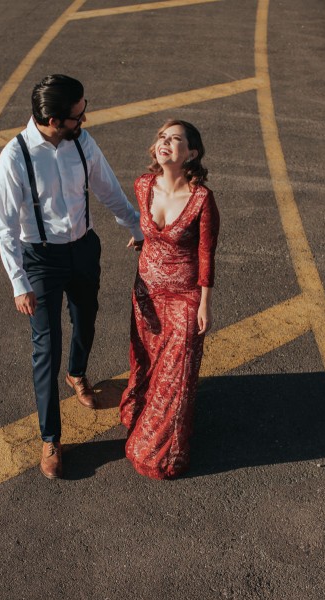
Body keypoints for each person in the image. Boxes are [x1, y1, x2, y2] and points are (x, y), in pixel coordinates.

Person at [0, 74, 145, 480]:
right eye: (78, 115)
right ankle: (50, 437)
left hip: (83, 249)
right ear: (52, 118)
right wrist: (18, 282)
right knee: (46, 345)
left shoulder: (83, 143)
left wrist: (136, 228)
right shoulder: (15, 157)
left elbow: (108, 190)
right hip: (40, 260)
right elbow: (5, 227)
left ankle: (78, 375)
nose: (84, 119)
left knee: (86, 319)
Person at [120, 120, 220, 479]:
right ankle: (140, 415)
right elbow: (149, 229)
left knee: (176, 375)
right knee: (147, 360)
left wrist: (205, 303)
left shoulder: (202, 199)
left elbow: (206, 252)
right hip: (146, 291)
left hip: (184, 297)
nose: (165, 143)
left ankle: (163, 453)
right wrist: (146, 240)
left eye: (175, 139)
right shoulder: (143, 185)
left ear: (191, 153)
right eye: (162, 137)